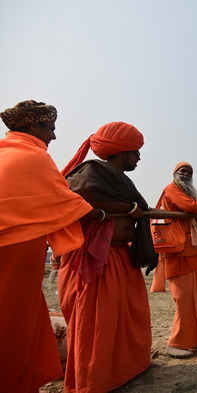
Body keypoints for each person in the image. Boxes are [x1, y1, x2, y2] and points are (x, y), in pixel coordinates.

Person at [0, 100, 96, 393]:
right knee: (14, 324)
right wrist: (101, 212)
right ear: (33, 125)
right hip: (17, 250)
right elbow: (64, 198)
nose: (53, 136)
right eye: (50, 128)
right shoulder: (35, 157)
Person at [58, 121, 158, 393]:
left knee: (128, 316)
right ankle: (94, 378)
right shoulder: (91, 171)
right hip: (96, 257)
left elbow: (139, 208)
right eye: (136, 153)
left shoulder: (121, 179)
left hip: (120, 256)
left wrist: (133, 209)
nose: (138, 158)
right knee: (98, 321)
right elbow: (73, 196)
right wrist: (126, 208)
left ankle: (127, 367)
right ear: (123, 152)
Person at [159, 162, 197, 357]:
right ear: (174, 173)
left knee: (196, 299)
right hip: (179, 252)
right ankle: (176, 343)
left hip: (193, 251)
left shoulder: (189, 195)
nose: (186, 174)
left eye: (189, 172)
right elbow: (189, 207)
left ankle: (193, 340)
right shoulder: (172, 189)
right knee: (184, 300)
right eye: (182, 171)